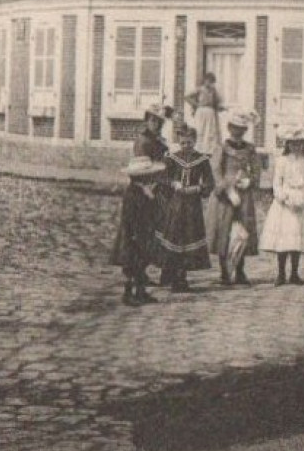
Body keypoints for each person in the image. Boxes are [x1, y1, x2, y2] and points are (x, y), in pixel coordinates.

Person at [156, 122, 215, 292]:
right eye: (182, 143)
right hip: (175, 205)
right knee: (175, 237)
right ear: (178, 142)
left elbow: (210, 182)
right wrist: (174, 184)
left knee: (189, 237)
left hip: (192, 207)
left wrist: (198, 188)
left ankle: (182, 275)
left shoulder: (202, 160)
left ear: (195, 141)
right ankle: (172, 273)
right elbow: (162, 179)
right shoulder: (172, 158)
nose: (186, 146)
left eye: (189, 143)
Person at [208, 111, 262, 286]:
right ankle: (224, 271)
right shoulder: (222, 148)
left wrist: (250, 181)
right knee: (224, 230)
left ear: (245, 130)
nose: (237, 131)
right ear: (229, 128)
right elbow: (215, 170)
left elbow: (256, 169)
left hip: (244, 195)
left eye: (241, 128)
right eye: (234, 128)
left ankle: (240, 270)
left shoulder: (250, 149)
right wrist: (225, 188)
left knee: (243, 231)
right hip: (226, 196)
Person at [263, 125, 304, 284]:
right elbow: (276, 184)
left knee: (297, 239)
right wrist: (284, 198)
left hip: (302, 201)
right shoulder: (281, 161)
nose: (296, 146)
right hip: (285, 202)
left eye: (300, 143)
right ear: (287, 144)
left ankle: (294, 273)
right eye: (292, 143)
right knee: (284, 239)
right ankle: (281, 273)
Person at [111, 157, 165, 306]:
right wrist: (134, 234)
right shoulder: (132, 193)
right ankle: (128, 294)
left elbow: (152, 209)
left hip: (144, 232)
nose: (152, 178)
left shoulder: (144, 190)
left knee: (142, 263)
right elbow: (130, 216)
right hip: (133, 234)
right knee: (131, 265)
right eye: (149, 175)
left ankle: (141, 291)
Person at [190, 72, 224, 157]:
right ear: (205, 81)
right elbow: (187, 97)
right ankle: (198, 148)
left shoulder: (213, 91)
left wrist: (219, 107)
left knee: (209, 131)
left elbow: (218, 101)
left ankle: (207, 149)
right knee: (200, 129)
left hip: (210, 112)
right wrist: (196, 104)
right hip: (201, 111)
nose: (209, 83)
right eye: (208, 81)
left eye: (212, 81)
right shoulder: (200, 89)